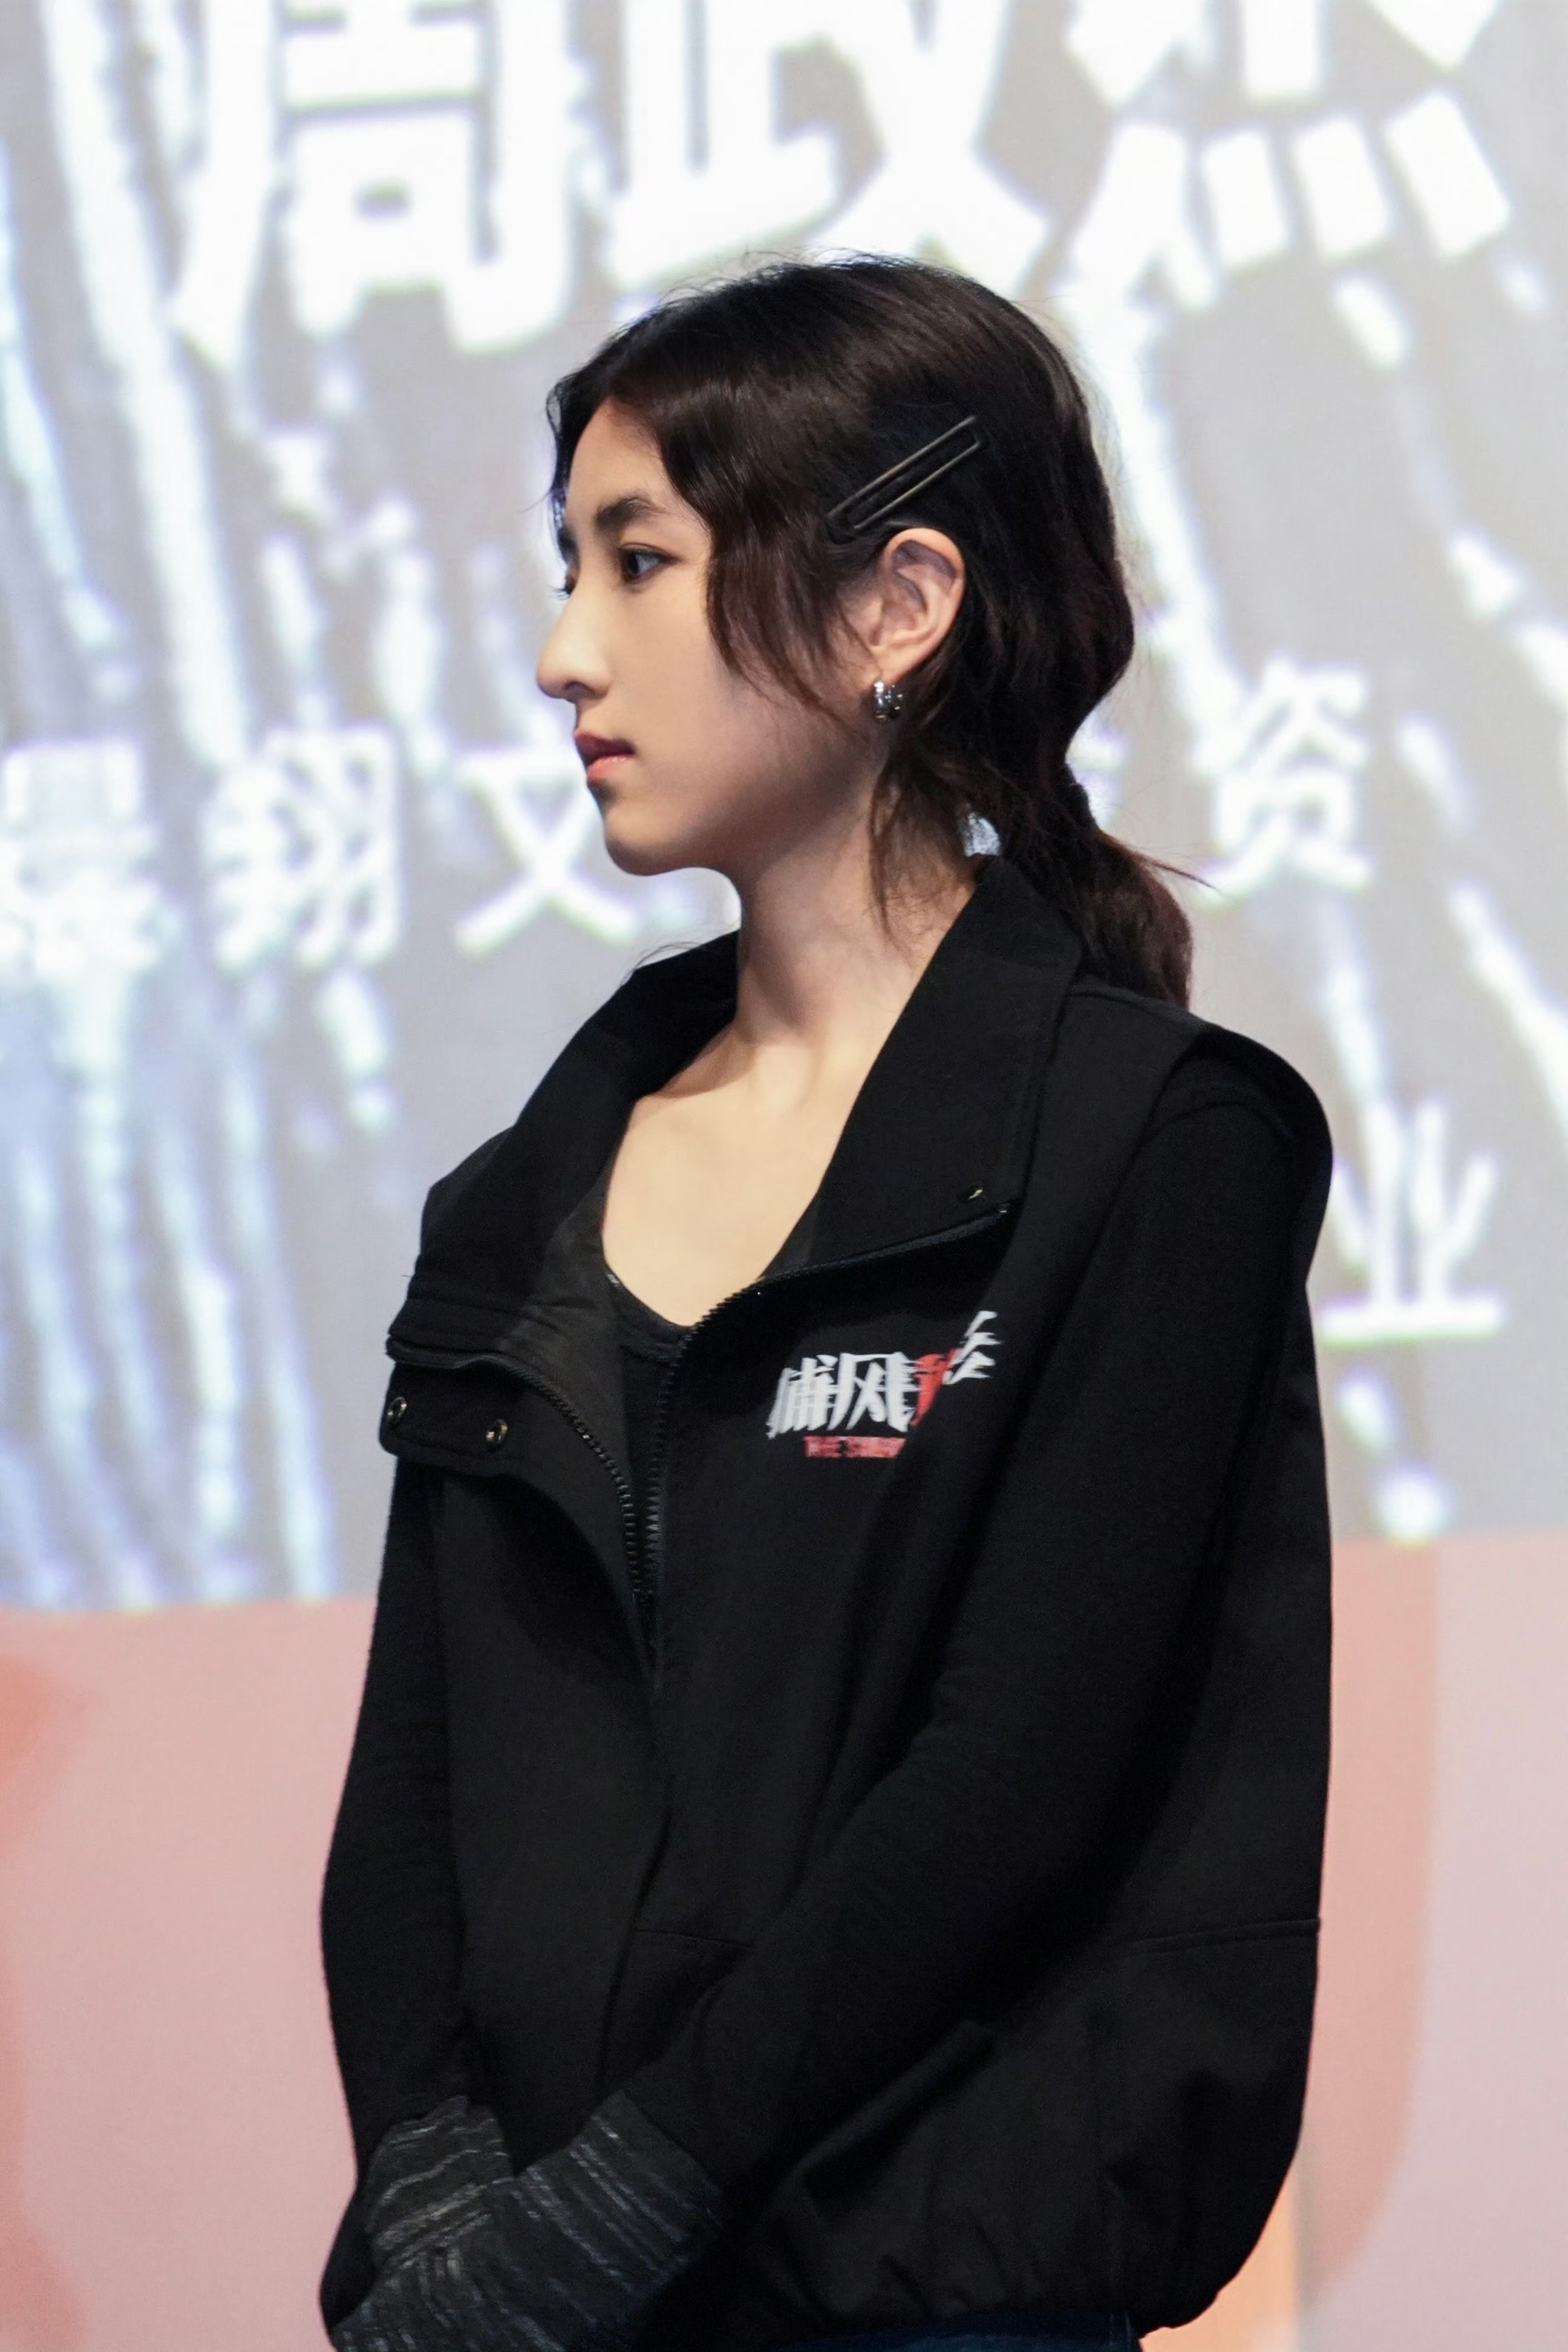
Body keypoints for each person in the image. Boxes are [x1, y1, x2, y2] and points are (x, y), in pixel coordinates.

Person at [318, 258, 1332, 2352]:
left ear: (898, 607)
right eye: (570, 568)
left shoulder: (1154, 1144)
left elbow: (1013, 1784)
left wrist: (630, 2201)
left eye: (640, 562)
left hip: (920, 2285)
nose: (564, 651)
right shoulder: (524, 1190)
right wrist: (441, 2201)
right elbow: (417, 1773)